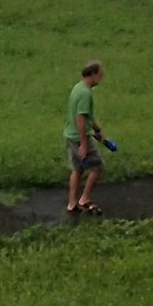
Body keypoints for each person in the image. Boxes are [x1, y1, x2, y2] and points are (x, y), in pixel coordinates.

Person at [64, 60, 108, 215]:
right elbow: (81, 119)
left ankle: (72, 203)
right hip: (79, 137)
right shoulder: (85, 94)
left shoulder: (78, 88)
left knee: (77, 169)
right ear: (93, 74)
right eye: (100, 75)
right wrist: (83, 143)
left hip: (70, 135)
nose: (101, 79)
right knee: (97, 167)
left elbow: (88, 116)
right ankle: (84, 199)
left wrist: (98, 130)